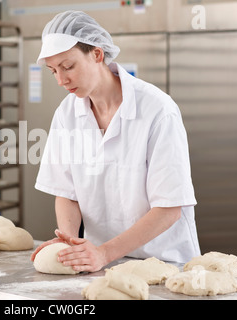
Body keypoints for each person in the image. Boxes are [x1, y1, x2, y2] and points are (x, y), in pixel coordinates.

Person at [30, 11, 201, 273]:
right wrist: (69, 241)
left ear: (97, 54)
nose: (61, 80)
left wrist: (104, 252)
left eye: (68, 66)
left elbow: (169, 208)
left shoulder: (157, 109)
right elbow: (66, 192)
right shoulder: (67, 113)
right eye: (53, 71)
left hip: (165, 265)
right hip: (104, 265)